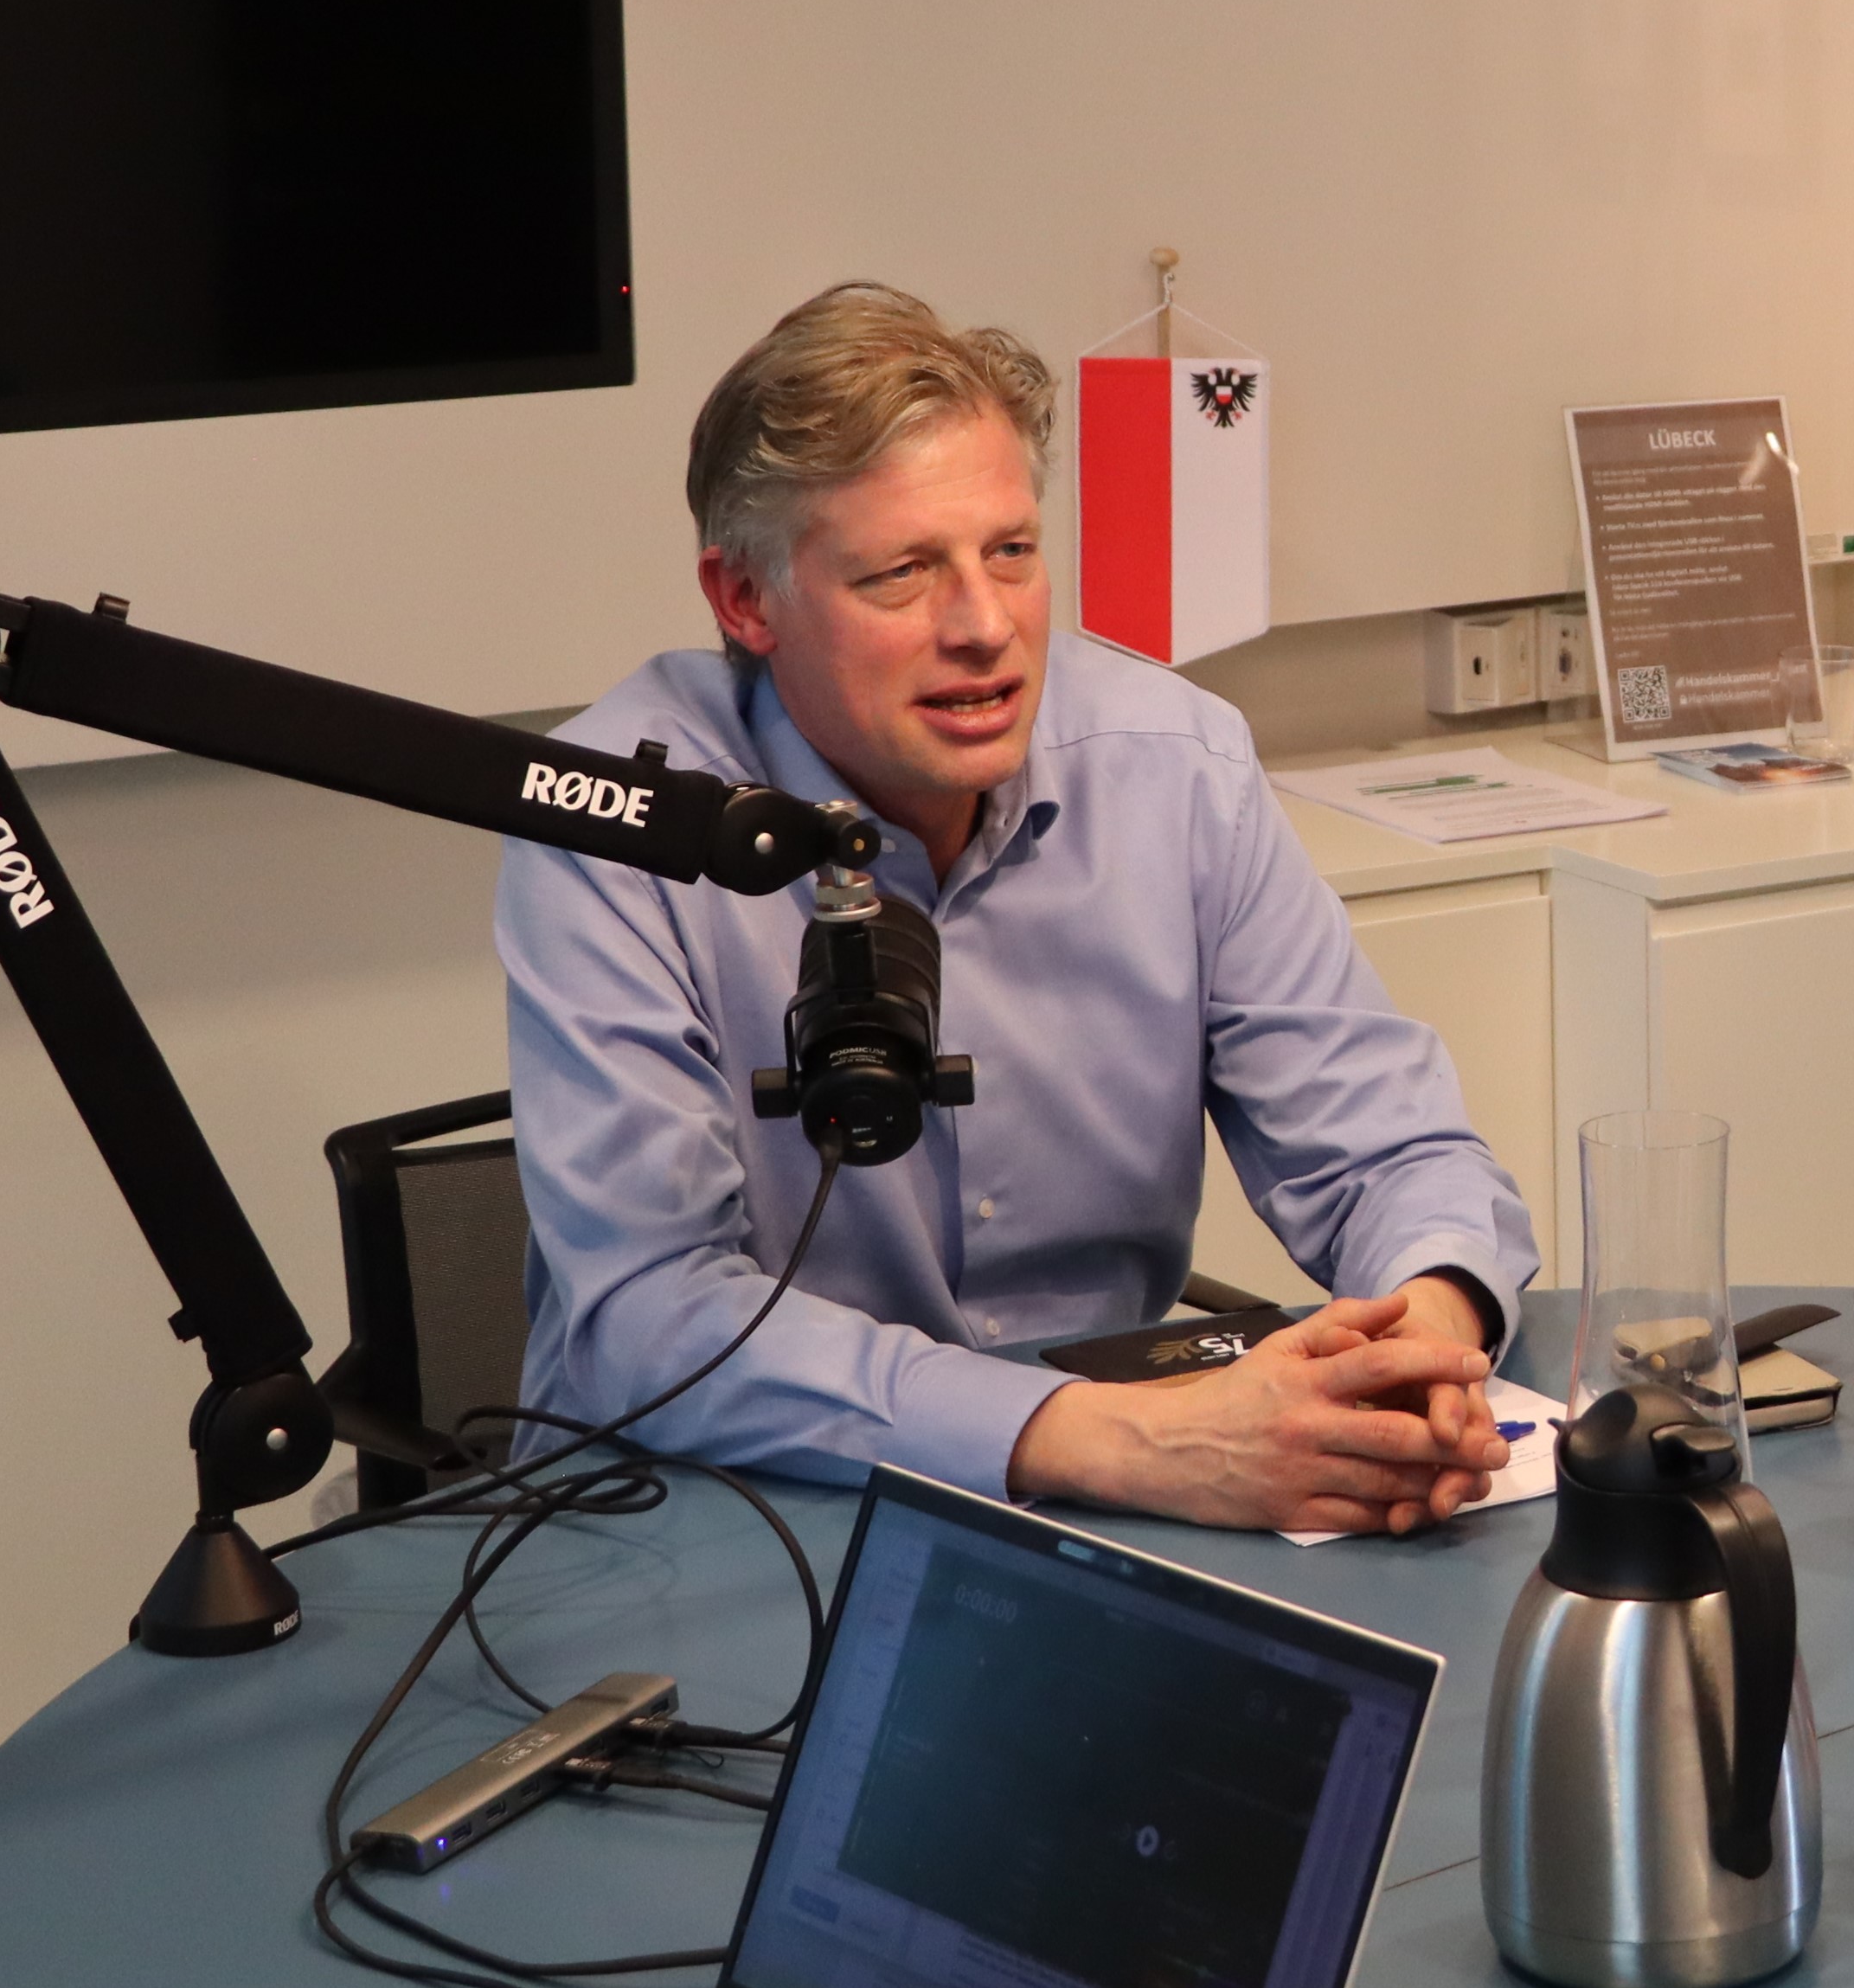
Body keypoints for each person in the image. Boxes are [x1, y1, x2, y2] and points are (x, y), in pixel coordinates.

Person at [497, 282, 1534, 1535]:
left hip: (1126, 1510)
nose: (987, 629)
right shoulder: (622, 823)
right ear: (745, 601)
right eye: (901, 574)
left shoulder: (1178, 767)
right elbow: (650, 1323)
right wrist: (1111, 1440)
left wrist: (1418, 1345)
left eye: (1013, 552)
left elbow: (1390, 1148)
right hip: (737, 1516)